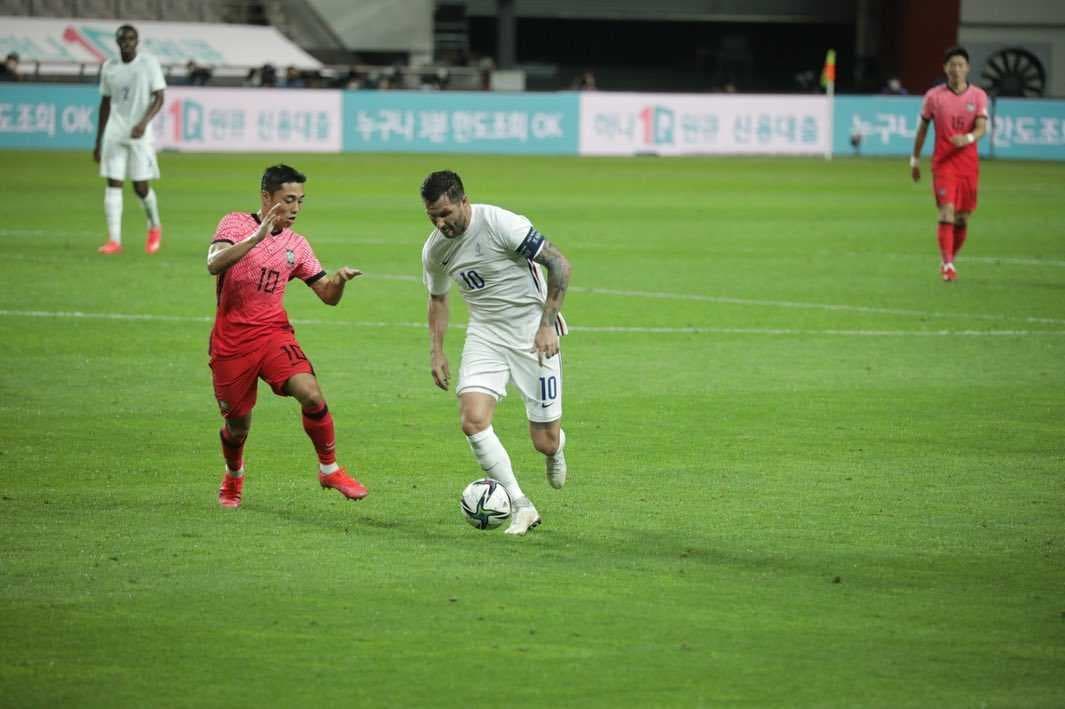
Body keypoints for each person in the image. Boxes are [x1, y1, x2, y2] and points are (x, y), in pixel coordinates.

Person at [421, 170, 572, 536]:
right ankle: (522, 505)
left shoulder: (502, 224)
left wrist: (547, 323)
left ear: (463, 201)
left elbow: (559, 264)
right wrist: (436, 350)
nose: (441, 223)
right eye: (433, 217)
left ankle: (556, 448)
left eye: (446, 213)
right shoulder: (435, 251)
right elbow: (438, 299)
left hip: (532, 333)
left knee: (544, 441)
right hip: (485, 335)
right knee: (472, 419)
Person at [208, 164, 368, 508]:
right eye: (288, 200)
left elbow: (326, 295)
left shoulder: (298, 244)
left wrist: (338, 281)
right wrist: (256, 239)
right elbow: (214, 263)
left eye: (300, 201)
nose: (295, 208)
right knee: (237, 428)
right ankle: (233, 478)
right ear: (266, 197)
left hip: (273, 334)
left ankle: (330, 469)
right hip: (232, 341)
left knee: (310, 394)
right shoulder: (235, 224)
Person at [910, 46, 989, 282]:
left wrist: (967, 138)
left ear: (968, 68)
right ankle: (947, 265)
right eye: (952, 65)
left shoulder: (978, 96)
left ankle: (949, 259)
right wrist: (914, 159)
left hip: (968, 165)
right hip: (943, 164)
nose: (956, 69)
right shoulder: (934, 97)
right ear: (945, 68)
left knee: (963, 218)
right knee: (947, 212)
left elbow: (982, 127)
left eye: (960, 65)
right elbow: (923, 129)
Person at [92, 25, 165, 255]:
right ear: (116, 41)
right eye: (123, 39)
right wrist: (99, 140)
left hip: (140, 137)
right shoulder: (109, 67)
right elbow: (105, 103)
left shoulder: (148, 64)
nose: (127, 42)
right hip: (115, 133)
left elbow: (160, 97)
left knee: (140, 187)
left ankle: (154, 226)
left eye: (131, 38)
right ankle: (114, 240)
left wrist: (143, 123)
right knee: (113, 183)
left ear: (137, 41)